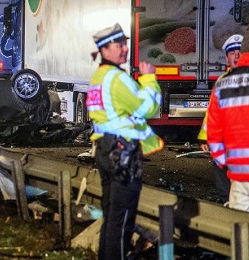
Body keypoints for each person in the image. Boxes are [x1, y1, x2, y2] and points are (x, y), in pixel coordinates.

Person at [86, 23, 163, 260]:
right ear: (105, 50)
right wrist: (149, 79)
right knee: (123, 217)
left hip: (105, 149)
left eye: (125, 44)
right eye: (119, 45)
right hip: (122, 153)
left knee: (112, 215)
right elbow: (148, 107)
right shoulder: (117, 78)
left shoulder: (99, 77)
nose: (125, 49)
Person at [207, 29, 249, 218]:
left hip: (237, 177)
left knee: (241, 233)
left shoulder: (222, 84)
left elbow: (213, 133)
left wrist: (226, 165)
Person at [197, 34, 242, 204]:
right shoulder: (221, 82)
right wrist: (205, 136)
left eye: (240, 52)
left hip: (244, 144)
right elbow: (212, 112)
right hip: (224, 143)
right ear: (226, 57)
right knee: (225, 191)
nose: (236, 56)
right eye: (232, 53)